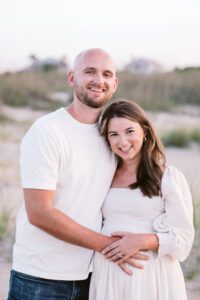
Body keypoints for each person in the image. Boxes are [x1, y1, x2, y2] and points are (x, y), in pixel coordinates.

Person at [8, 49, 143, 300]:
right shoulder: (48, 131)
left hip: (90, 276)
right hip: (41, 278)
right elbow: (39, 212)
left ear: (115, 83)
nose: (98, 80)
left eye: (106, 74)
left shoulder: (113, 136)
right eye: (89, 72)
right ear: (72, 78)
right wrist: (109, 247)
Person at [89, 99, 194, 300]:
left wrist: (141, 241)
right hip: (108, 276)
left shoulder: (167, 177)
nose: (123, 141)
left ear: (144, 131)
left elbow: (184, 241)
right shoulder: (102, 176)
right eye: (114, 134)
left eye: (130, 131)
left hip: (151, 278)